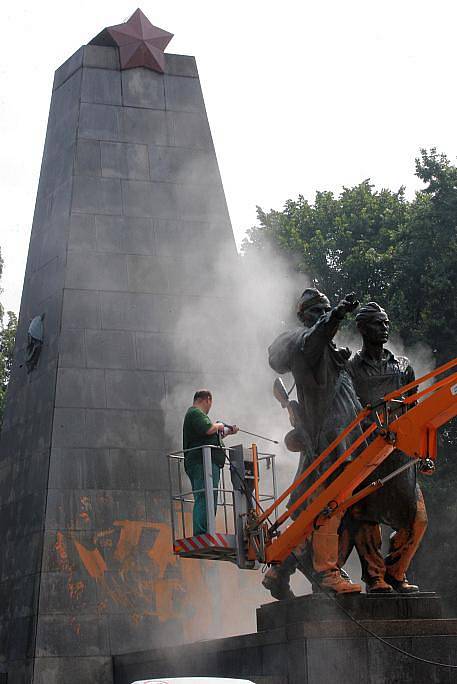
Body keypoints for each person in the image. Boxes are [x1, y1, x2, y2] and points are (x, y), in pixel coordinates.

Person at [263, 287, 363, 598]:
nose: (322, 315)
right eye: (317, 311)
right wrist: (337, 313)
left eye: (325, 309)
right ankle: (327, 572)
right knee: (330, 506)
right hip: (333, 441)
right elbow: (317, 336)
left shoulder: (326, 351)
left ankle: (280, 569)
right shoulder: (308, 344)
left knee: (311, 511)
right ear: (307, 317)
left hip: (338, 439)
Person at [340, 302, 428, 593]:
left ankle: (395, 570)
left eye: (386, 322)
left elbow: (413, 410)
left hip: (400, 453)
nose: (385, 327)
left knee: (417, 519)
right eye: (378, 323)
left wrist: (422, 451)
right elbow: (348, 411)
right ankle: (375, 576)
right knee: (366, 515)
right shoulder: (350, 367)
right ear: (363, 328)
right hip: (367, 453)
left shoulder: (403, 366)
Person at [183, 389, 239, 535]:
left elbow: (210, 436)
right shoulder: (195, 413)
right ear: (207, 399)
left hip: (206, 463)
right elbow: (208, 429)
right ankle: (202, 532)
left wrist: (228, 431)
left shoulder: (195, 417)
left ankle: (206, 529)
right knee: (205, 497)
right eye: (210, 403)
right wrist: (220, 426)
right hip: (202, 463)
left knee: (209, 497)